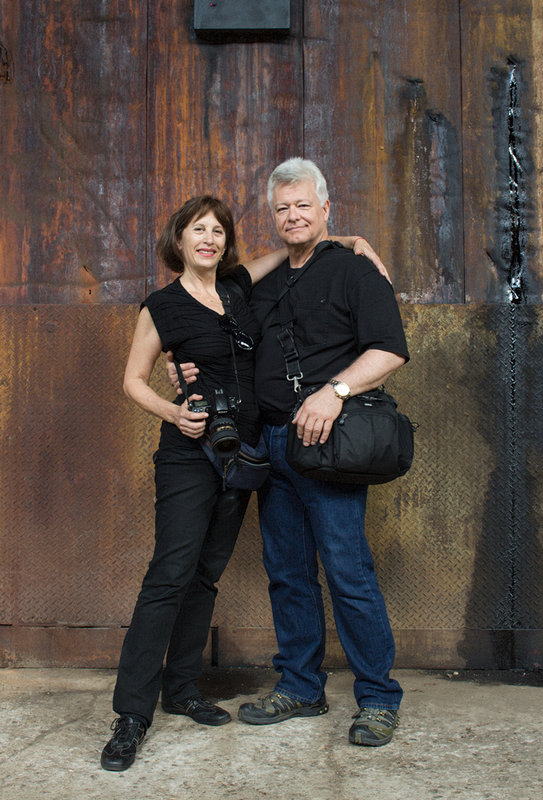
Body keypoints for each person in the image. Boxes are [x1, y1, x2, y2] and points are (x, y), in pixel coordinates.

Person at [100, 193, 382, 771]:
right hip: (189, 453)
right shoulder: (160, 306)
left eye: (218, 233)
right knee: (170, 574)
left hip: (244, 454)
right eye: (197, 231)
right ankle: (131, 714)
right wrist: (172, 411)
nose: (208, 240)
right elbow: (132, 379)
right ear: (178, 240)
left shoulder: (236, 289)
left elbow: (291, 247)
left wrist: (352, 242)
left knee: (206, 575)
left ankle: (181, 689)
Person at [177, 159, 409, 747]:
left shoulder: (356, 271)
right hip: (270, 445)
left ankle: (378, 699)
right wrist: (188, 364)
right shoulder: (266, 282)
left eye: (304, 205)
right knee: (287, 573)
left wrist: (334, 392)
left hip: (330, 444)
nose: (293, 216)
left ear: (326, 208)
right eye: (282, 208)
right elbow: (212, 316)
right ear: (273, 217)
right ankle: (300, 687)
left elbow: (391, 351)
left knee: (347, 571)